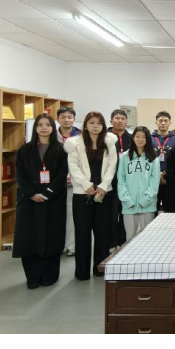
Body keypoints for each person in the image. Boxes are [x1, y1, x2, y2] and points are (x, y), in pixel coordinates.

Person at [13, 114, 68, 289]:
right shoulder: (24, 150)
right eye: (40, 125)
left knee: (52, 237)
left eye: (48, 125)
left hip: (53, 200)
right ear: (35, 128)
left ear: (53, 128)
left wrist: (48, 193)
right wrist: (31, 193)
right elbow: (20, 174)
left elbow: (62, 174)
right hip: (29, 201)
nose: (44, 128)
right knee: (29, 238)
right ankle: (32, 277)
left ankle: (50, 275)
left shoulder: (61, 150)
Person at [64, 112, 118, 281]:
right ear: (86, 125)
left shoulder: (109, 142)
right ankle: (81, 272)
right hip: (82, 194)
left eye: (99, 123)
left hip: (103, 193)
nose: (96, 126)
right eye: (92, 122)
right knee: (82, 233)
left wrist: (103, 186)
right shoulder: (75, 143)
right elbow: (74, 167)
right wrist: (86, 185)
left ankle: (99, 269)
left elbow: (112, 166)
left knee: (102, 233)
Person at [117, 127, 160, 243]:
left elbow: (155, 182)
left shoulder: (153, 157)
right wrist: (127, 200)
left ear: (148, 139)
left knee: (148, 239)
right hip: (129, 205)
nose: (140, 139)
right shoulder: (125, 157)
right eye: (137, 136)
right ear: (133, 138)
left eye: (144, 137)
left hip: (147, 205)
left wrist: (145, 200)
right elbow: (121, 180)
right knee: (130, 238)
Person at [57, 107, 82, 257]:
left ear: (74, 119)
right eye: (63, 117)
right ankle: (58, 245)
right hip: (55, 182)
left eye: (69, 117)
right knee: (57, 215)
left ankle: (71, 246)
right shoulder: (53, 136)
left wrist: (74, 174)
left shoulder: (80, 136)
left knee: (72, 215)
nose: (66, 120)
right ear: (58, 119)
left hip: (75, 181)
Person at [108, 109, 131, 249]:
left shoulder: (132, 138)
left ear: (126, 121)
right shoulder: (105, 138)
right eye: (117, 118)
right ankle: (111, 243)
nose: (120, 121)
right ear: (111, 121)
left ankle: (123, 241)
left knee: (125, 213)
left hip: (127, 182)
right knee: (110, 214)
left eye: (123, 118)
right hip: (109, 181)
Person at [151, 111, 175, 214]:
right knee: (153, 210)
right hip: (153, 179)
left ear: (170, 123)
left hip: (169, 180)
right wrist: (158, 174)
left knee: (170, 211)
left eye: (165, 121)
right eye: (160, 121)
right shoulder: (150, 138)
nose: (163, 123)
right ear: (156, 122)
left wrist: (165, 174)